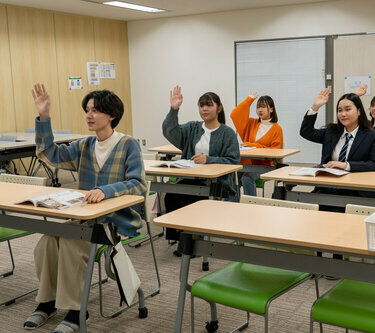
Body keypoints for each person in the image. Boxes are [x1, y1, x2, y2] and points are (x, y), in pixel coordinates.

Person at [26, 84, 146, 332]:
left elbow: (138, 185)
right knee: (48, 241)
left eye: (95, 110)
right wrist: (44, 117)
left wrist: (106, 191)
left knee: (72, 244)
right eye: (87, 110)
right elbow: (49, 154)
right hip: (83, 218)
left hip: (116, 221)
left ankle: (76, 310)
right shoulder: (85, 145)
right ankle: (47, 303)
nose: (89, 115)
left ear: (111, 115)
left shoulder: (128, 145)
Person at [162, 86, 240, 255]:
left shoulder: (228, 133)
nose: (204, 109)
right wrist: (174, 110)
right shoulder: (193, 128)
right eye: (201, 105)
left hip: (217, 183)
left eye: (209, 105)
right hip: (191, 178)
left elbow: (233, 160)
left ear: (218, 108)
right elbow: (169, 131)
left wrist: (209, 160)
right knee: (172, 196)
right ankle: (182, 238)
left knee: (191, 198)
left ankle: (191, 242)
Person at [300, 87, 375, 210]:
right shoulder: (332, 131)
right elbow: (306, 132)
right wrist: (315, 107)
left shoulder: (372, 136)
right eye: (339, 110)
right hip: (327, 188)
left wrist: (346, 165)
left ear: (359, 111)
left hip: (355, 191)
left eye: (348, 109)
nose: (343, 114)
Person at [230, 93, 283, 196]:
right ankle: (234, 205)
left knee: (246, 178)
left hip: (265, 165)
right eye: (258, 107)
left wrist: (251, 145)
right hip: (247, 163)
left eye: (263, 107)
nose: (260, 110)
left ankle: (251, 205)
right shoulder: (251, 123)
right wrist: (249, 100)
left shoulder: (277, 129)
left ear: (271, 109)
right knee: (232, 177)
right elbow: (234, 115)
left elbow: (276, 151)